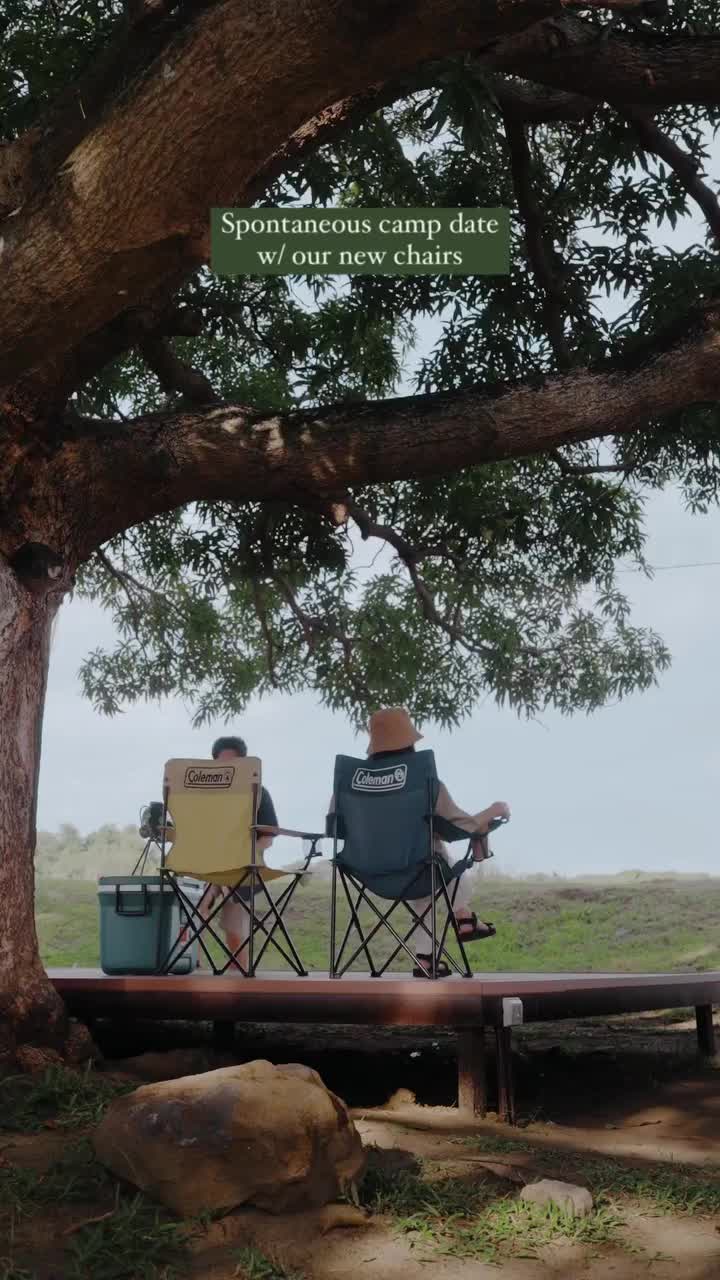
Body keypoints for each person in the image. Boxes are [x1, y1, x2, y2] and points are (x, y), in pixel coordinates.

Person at [333, 707, 510, 977]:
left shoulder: (350, 782)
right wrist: (493, 810)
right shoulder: (422, 780)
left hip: (366, 873)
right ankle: (461, 918)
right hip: (417, 871)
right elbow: (458, 827)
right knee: (432, 864)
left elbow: (335, 827)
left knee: (426, 869)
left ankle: (431, 952)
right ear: (410, 743)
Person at [199, 736, 278, 969]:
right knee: (195, 909)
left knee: (235, 928)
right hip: (208, 865)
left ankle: (239, 978)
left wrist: (246, 856)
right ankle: (189, 967)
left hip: (245, 867)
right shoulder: (203, 795)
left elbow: (268, 837)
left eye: (233, 763)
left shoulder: (259, 792)